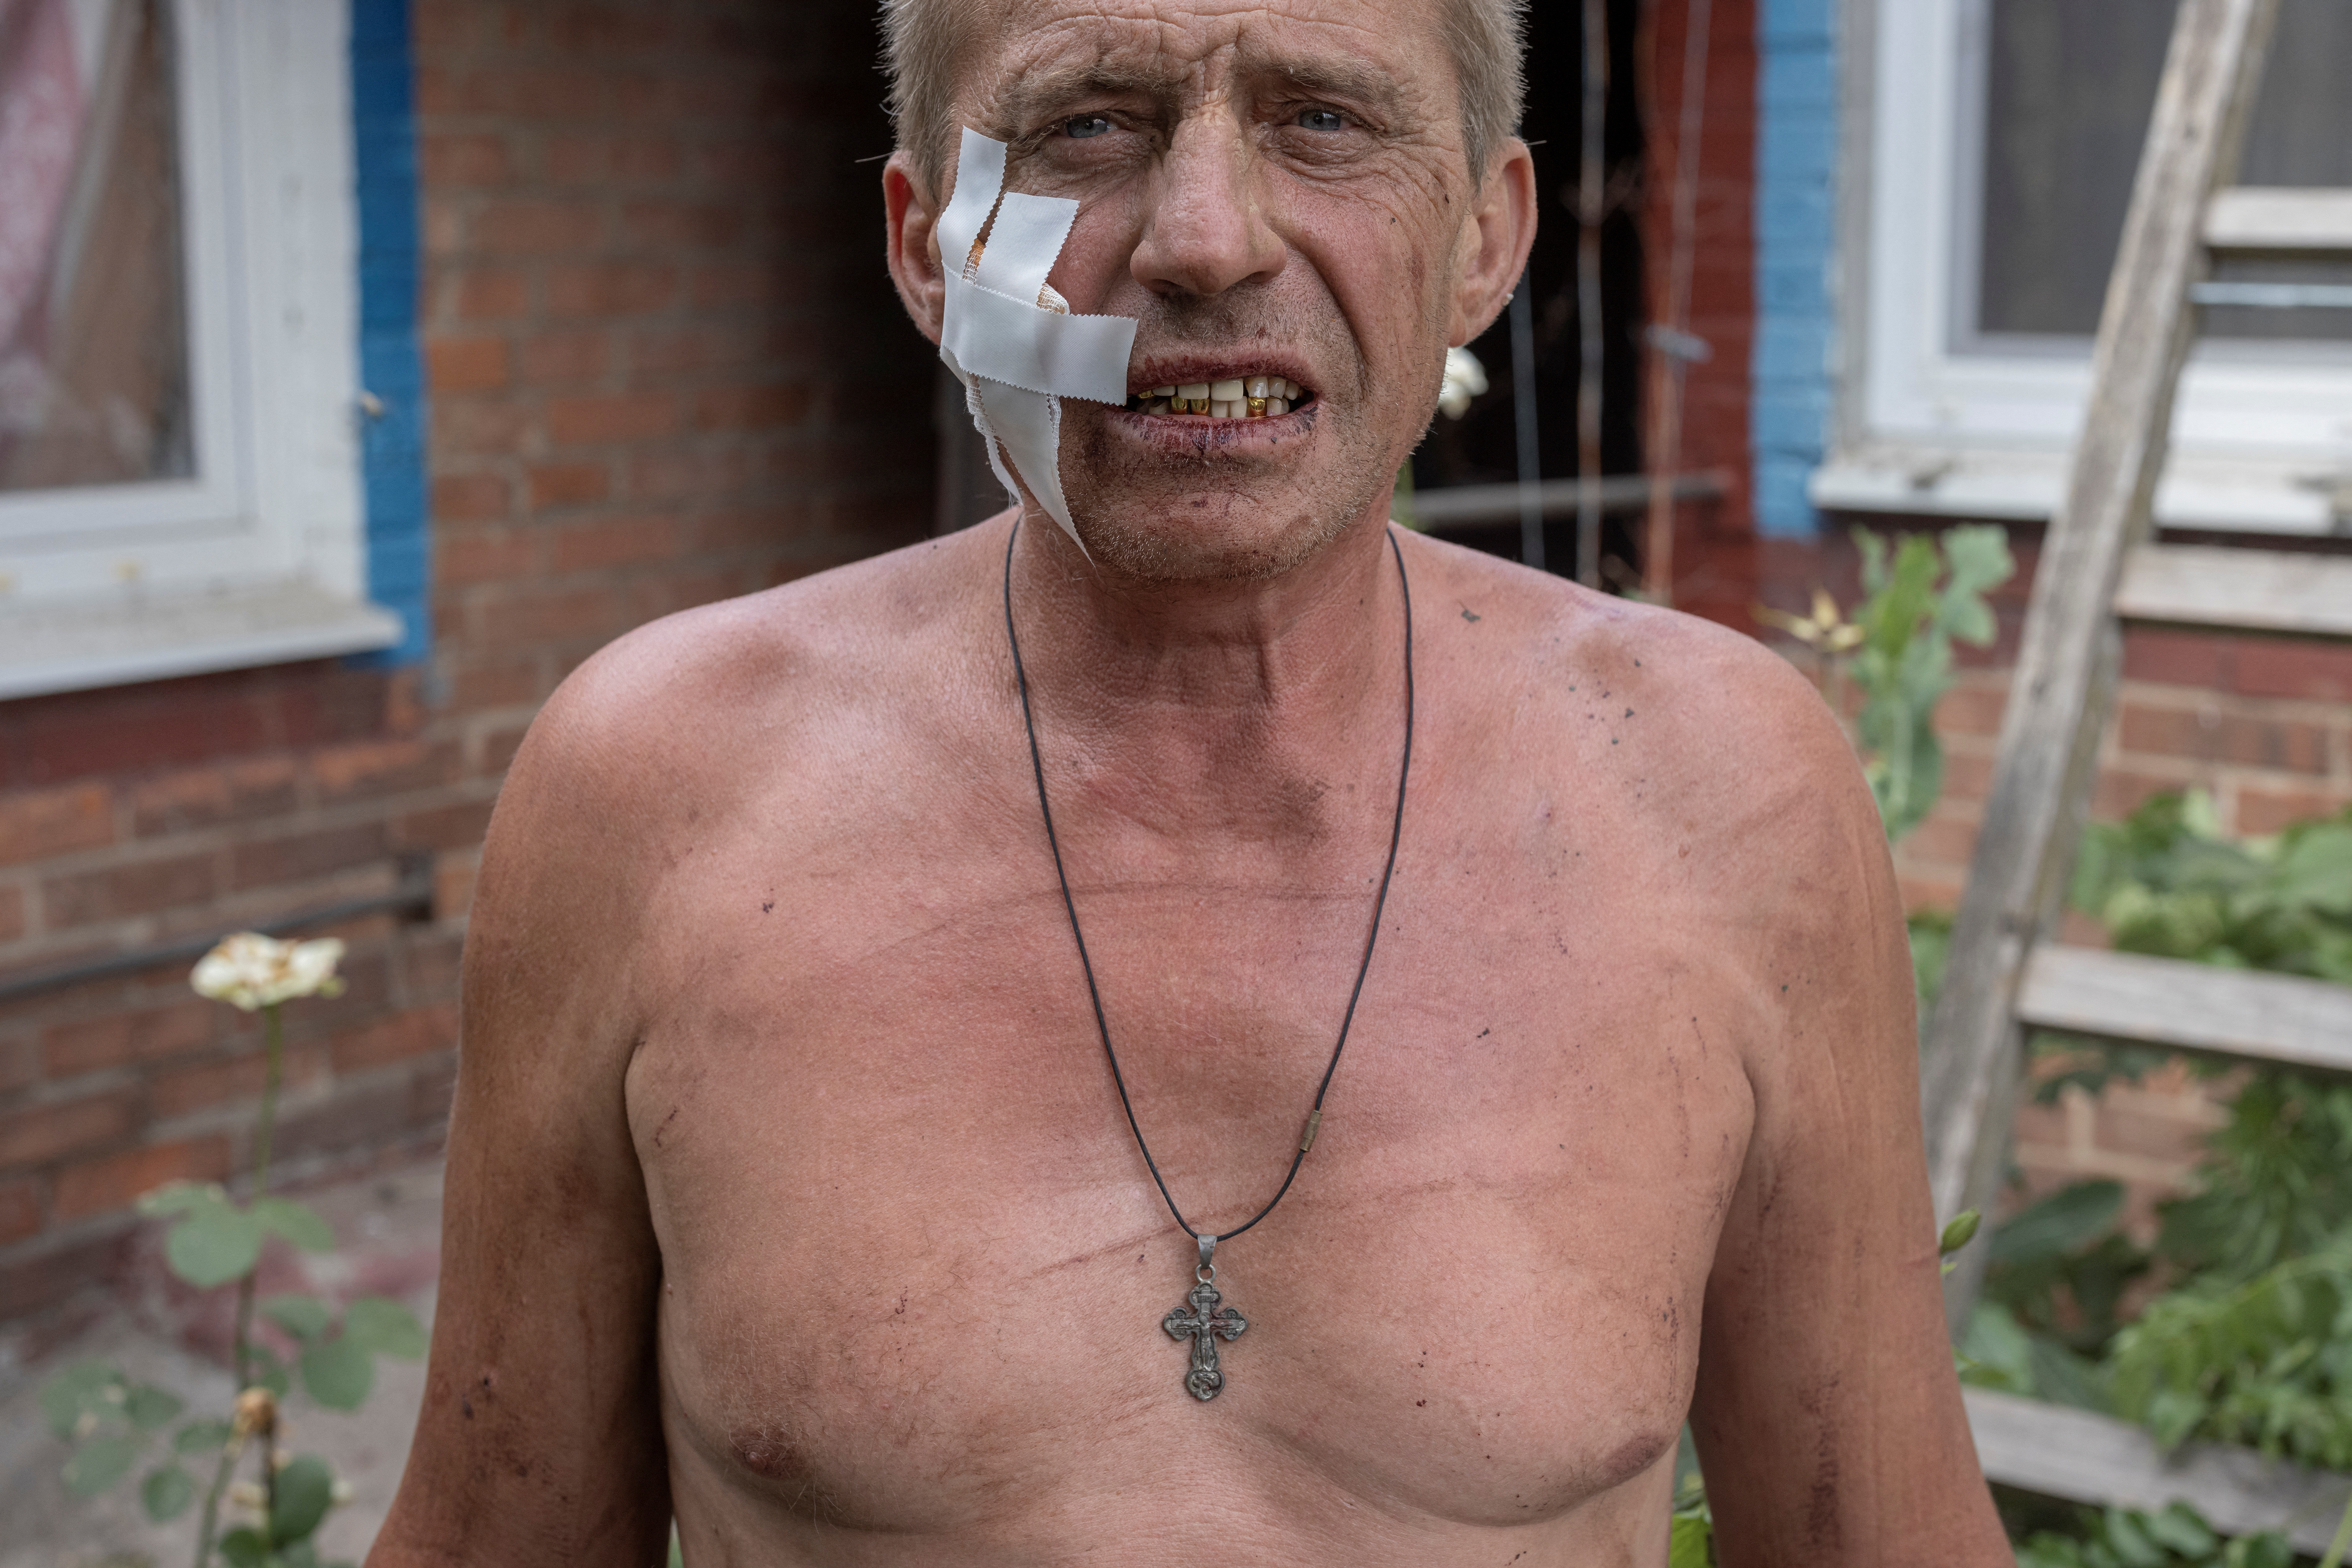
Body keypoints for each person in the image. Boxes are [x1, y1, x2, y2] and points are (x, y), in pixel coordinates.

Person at [370, 0, 2013, 1562]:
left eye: (1324, 120)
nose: (1206, 240)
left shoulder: (1719, 795)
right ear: (926, 245)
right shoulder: (659, 791)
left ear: (1488, 238)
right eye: (1087, 127)